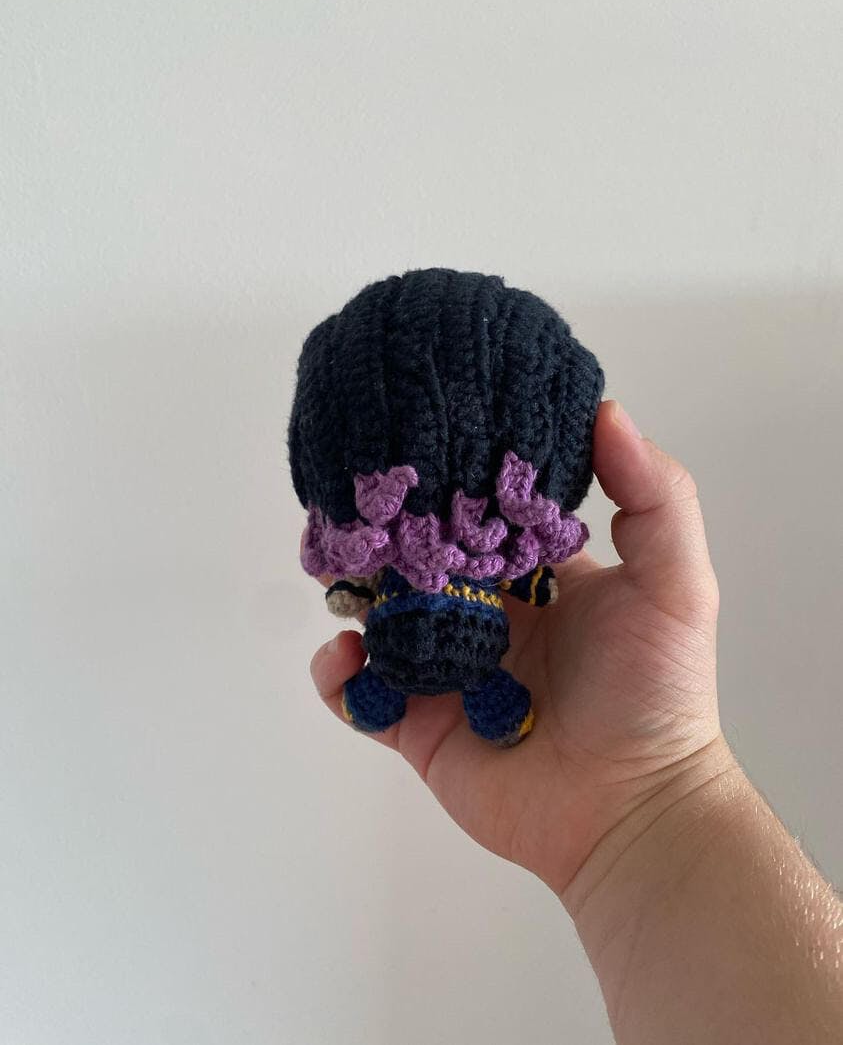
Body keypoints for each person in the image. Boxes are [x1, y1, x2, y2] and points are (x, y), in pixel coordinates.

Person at [309, 399, 843, 1045]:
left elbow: (525, 577)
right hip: (413, 650)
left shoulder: (486, 550)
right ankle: (399, 693)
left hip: (468, 652)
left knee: (467, 684)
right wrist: (656, 802)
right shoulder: (407, 550)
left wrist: (657, 793)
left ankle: (431, 697)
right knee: (408, 684)